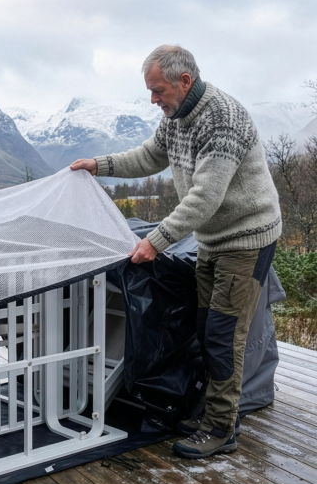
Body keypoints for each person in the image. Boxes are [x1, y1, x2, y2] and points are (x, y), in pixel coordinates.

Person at [70, 45, 281, 459]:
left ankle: (221, 428)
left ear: (185, 81)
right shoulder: (176, 115)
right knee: (204, 327)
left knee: (223, 335)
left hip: (247, 238)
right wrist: (99, 165)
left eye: (158, 90)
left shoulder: (223, 119)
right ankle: (213, 414)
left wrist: (155, 241)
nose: (153, 99)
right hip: (212, 239)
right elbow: (150, 156)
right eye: (150, 91)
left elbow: (205, 197)